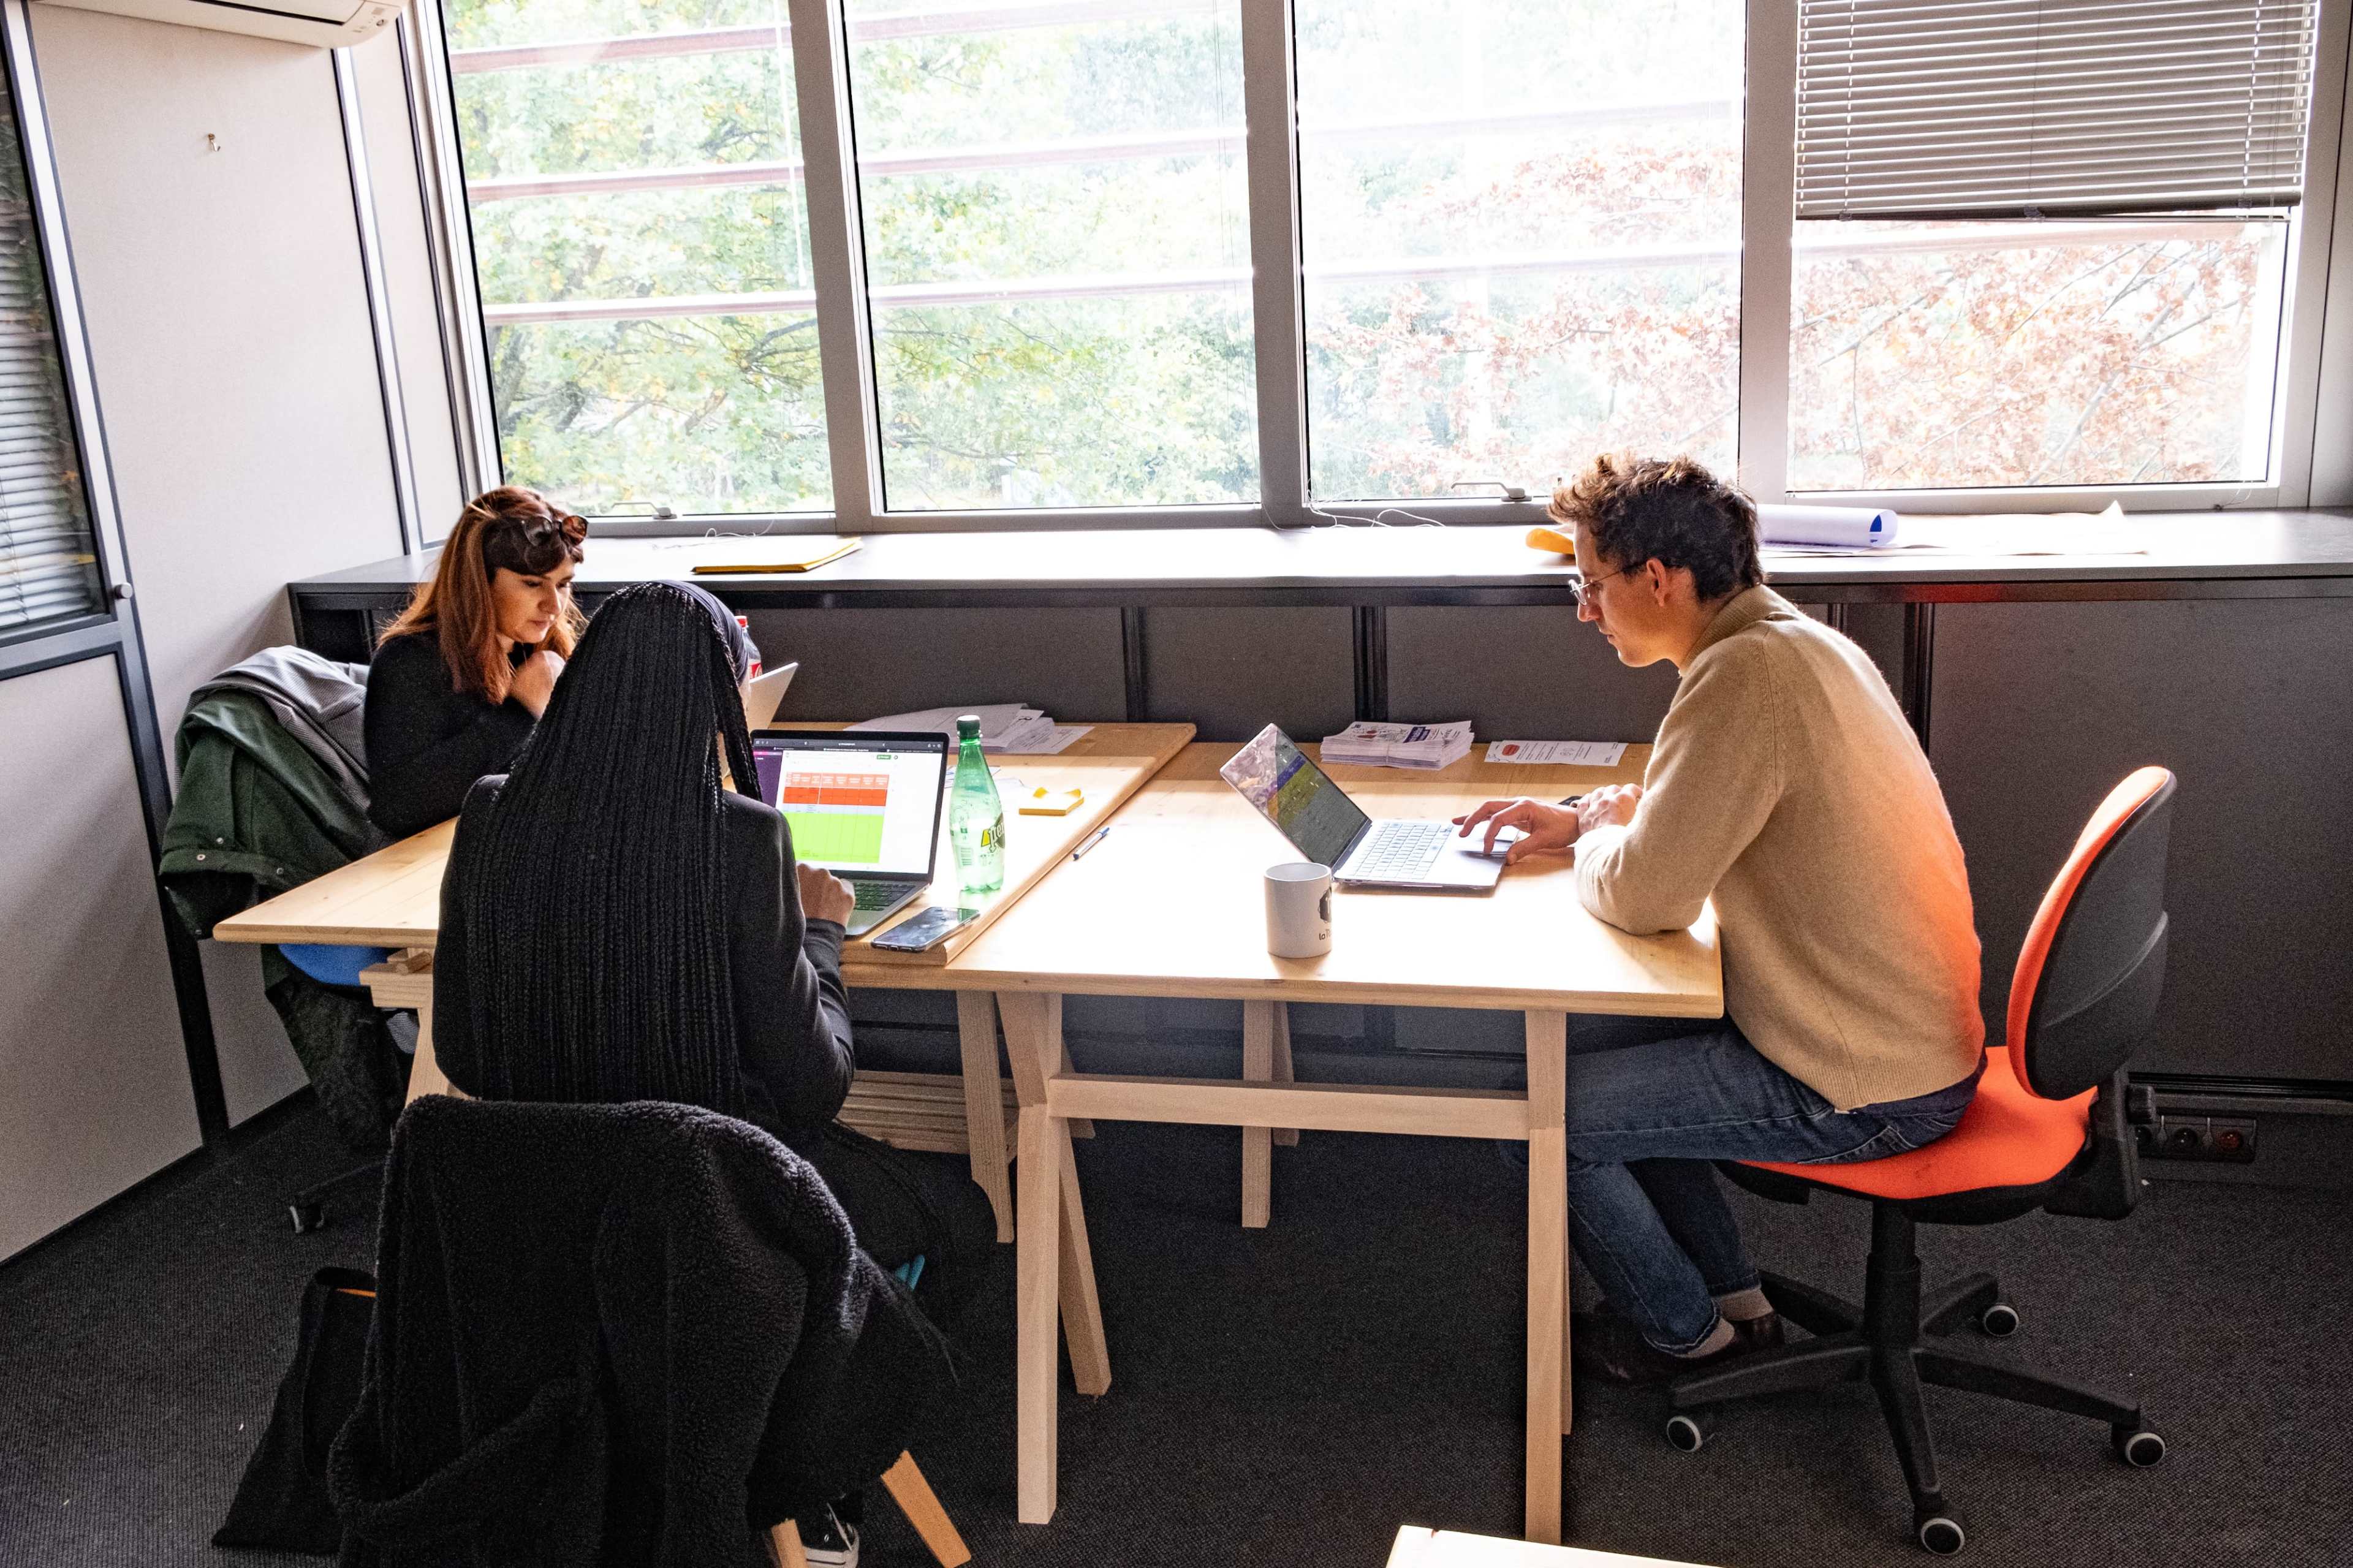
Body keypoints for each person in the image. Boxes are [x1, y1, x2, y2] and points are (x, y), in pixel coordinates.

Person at [1455, 453, 1985, 1385]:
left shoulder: (1744, 677)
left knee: (1533, 1118)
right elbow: (1697, 812)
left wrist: (1590, 850)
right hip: (1895, 1034)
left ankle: (1683, 1337)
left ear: (1654, 578)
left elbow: (1645, 895)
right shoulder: (1792, 643)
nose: (1585, 609)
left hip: (1861, 1079)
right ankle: (1738, 1301)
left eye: (1590, 583)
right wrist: (1588, 819)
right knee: (1592, 1060)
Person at [429, 579, 993, 1320]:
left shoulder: (491, 810)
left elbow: (462, 1053)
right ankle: (829, 1404)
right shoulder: (741, 836)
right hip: (719, 1206)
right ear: (718, 703)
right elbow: (815, 1090)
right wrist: (820, 929)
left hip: (548, 1211)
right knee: (965, 1216)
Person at [362, 488, 586, 839]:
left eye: (563, 585)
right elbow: (397, 807)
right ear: (478, 580)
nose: (554, 606)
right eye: (532, 584)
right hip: (434, 862)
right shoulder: (408, 660)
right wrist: (520, 712)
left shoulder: (544, 650)